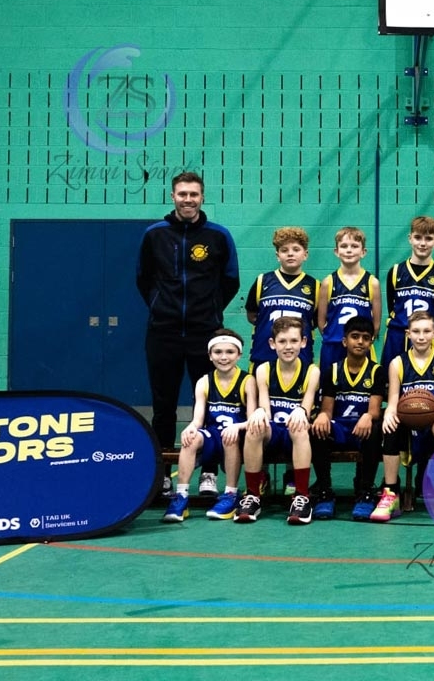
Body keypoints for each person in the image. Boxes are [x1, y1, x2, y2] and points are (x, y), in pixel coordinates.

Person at [136, 171, 240, 496]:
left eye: (194, 194)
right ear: (173, 196)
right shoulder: (154, 235)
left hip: (204, 335)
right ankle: (163, 476)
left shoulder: (218, 236)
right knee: (163, 406)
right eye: (182, 194)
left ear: (202, 197)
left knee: (210, 405)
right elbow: (143, 278)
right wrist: (161, 307)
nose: (188, 199)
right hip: (163, 333)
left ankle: (208, 473)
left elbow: (231, 280)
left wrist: (208, 312)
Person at [162, 328, 256, 523]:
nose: (224, 357)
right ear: (210, 355)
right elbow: (198, 420)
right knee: (190, 439)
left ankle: (231, 494)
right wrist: (191, 427)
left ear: (239, 355)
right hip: (213, 434)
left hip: (238, 435)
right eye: (218, 352)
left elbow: (252, 418)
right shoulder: (204, 382)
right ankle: (181, 496)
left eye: (230, 352)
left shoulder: (247, 381)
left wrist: (237, 427)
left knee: (229, 437)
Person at [374, 311, 434, 522]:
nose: (421, 337)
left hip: (433, 420)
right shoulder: (397, 363)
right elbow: (393, 399)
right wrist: (389, 414)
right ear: (408, 333)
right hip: (408, 421)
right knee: (390, 425)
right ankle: (391, 493)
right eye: (416, 331)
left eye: (427, 331)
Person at [236, 316, 319, 525]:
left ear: (303, 342)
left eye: (293, 341)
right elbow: (266, 410)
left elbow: (307, 406)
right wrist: (259, 413)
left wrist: (301, 411)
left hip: (296, 433)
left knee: (300, 426)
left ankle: (302, 497)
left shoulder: (312, 371)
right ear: (273, 344)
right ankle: (252, 495)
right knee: (255, 427)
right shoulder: (263, 369)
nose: (288, 346)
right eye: (282, 341)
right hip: (274, 432)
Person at [311, 315, 386, 521]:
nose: (360, 341)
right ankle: (325, 491)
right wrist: (322, 416)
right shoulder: (333, 370)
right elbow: (327, 410)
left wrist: (368, 416)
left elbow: (375, 409)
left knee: (374, 428)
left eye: (365, 338)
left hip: (362, 427)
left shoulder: (377, 371)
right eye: (355, 336)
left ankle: (365, 492)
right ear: (345, 341)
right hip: (340, 427)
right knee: (316, 429)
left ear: (371, 342)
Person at [380, 215, 434, 372]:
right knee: (389, 382)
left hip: (424, 339)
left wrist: (425, 332)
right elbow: (392, 308)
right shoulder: (395, 271)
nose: (423, 243)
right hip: (396, 337)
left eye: (428, 238)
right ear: (410, 238)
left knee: (423, 383)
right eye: (418, 237)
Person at [245, 226, 319, 370]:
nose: (290, 254)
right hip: (263, 356)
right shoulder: (263, 281)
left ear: (305, 254)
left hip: (300, 359)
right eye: (284, 250)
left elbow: (315, 321)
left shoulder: (315, 286)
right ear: (278, 255)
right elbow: (252, 315)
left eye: (296, 249)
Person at [317, 225, 381, 374]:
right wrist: (334, 337)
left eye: (354, 246)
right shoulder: (328, 282)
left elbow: (376, 324)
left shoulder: (372, 283)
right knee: (329, 386)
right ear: (336, 251)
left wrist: (362, 341)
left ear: (363, 252)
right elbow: (321, 322)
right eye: (344, 246)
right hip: (333, 346)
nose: (349, 250)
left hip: (360, 348)